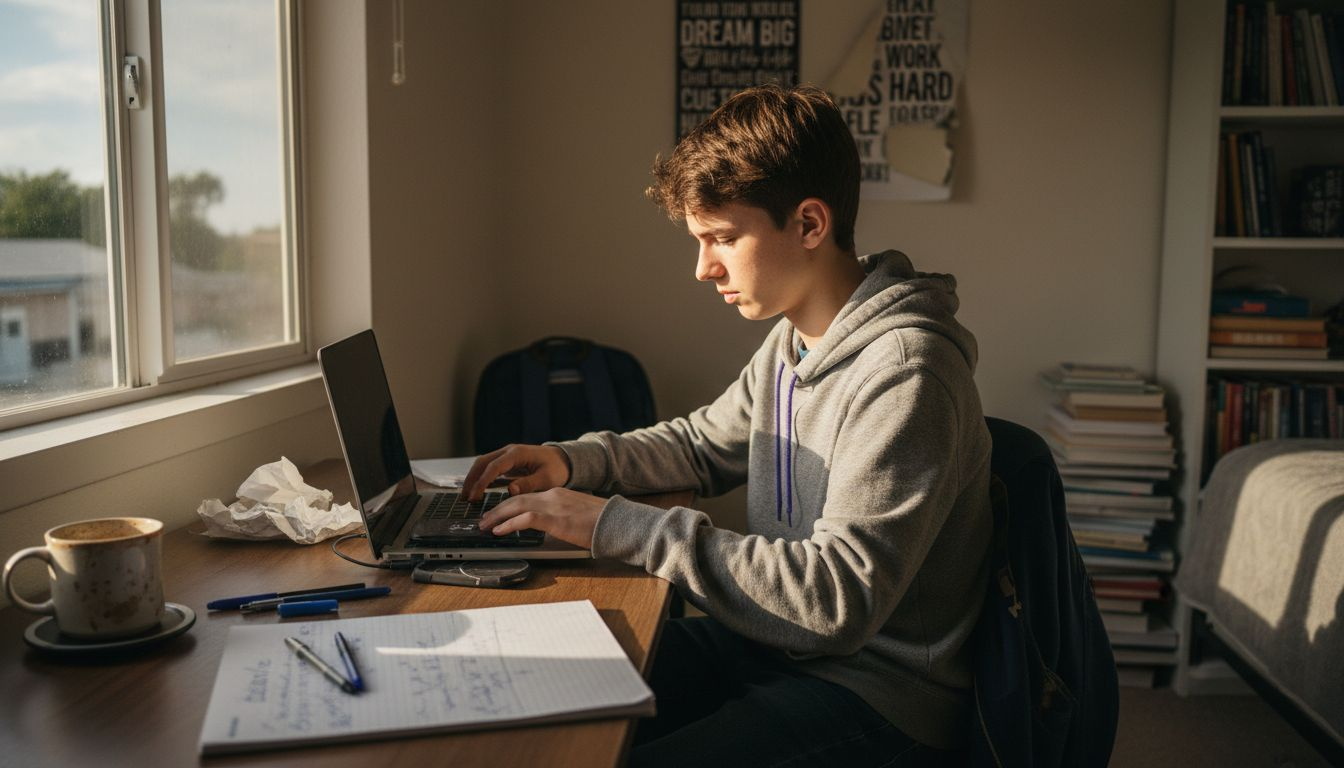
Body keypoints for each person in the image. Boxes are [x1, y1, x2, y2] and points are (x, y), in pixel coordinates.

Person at [464, 84, 991, 767]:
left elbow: (837, 599)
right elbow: (700, 444)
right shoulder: (796, 339)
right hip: (776, 644)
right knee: (545, 675)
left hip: (877, 691)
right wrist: (571, 463)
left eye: (722, 238)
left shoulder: (907, 372)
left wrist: (610, 523)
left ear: (808, 225)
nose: (703, 267)